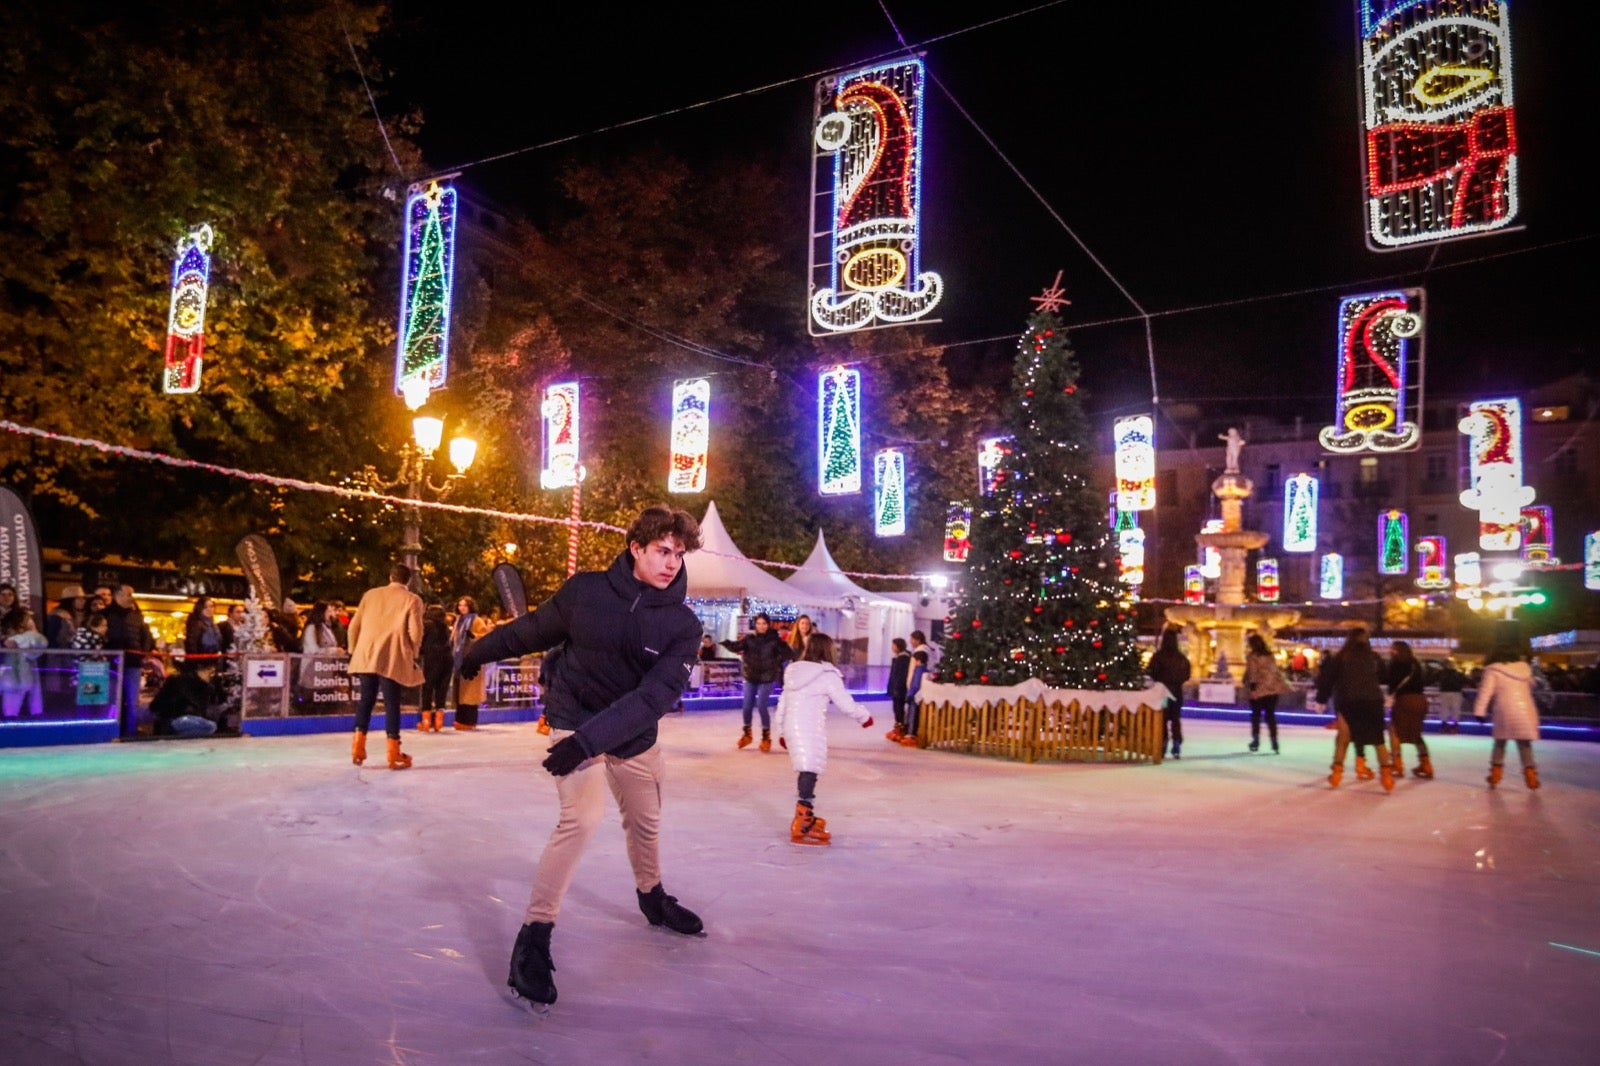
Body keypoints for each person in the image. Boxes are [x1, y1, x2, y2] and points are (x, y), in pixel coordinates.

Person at [457, 505, 707, 1009]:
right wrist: (474, 653)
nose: (671, 563)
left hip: (631, 736)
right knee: (582, 817)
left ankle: (652, 898)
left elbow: (653, 699)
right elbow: (529, 631)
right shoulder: (586, 592)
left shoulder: (683, 626)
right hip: (574, 717)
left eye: (678, 554)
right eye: (662, 551)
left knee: (646, 821)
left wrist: (588, 743)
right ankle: (535, 935)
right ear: (635, 548)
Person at [771, 632, 874, 845]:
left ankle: (805, 815)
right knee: (810, 769)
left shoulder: (793, 671)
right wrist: (864, 716)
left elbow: (783, 702)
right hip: (808, 726)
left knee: (806, 768)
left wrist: (781, 730)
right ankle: (802, 820)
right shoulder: (827, 674)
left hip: (792, 725)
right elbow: (845, 703)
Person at [346, 563, 424, 770]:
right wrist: (413, 653)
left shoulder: (370, 595)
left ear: (390, 577)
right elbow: (415, 632)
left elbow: (354, 626)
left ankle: (358, 746)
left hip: (366, 653)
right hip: (392, 655)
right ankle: (393, 751)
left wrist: (354, 650)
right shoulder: (412, 600)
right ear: (408, 580)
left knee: (366, 700)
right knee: (392, 703)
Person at [1314, 627, 1395, 790]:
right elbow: (1386, 676)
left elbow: (1327, 679)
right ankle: (1386, 776)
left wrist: (1321, 699)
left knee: (1343, 739)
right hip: (1372, 701)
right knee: (1378, 740)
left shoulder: (1341, 657)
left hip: (1347, 701)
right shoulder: (1374, 658)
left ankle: (1337, 773)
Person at [1473, 645, 1542, 790]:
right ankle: (1531, 777)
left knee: (1500, 743)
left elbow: (1486, 692)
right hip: (1526, 709)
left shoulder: (1492, 670)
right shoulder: (1524, 669)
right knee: (1524, 744)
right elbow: (1533, 685)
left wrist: (1479, 711)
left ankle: (1495, 775)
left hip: (1504, 710)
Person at [720, 612, 790, 751]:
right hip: (751, 676)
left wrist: (776, 663)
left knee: (761, 705)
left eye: (764, 623)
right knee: (746, 706)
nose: (761, 626)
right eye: (758, 623)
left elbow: (787, 653)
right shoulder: (749, 639)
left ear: (768, 625)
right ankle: (747, 734)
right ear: (755, 625)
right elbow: (737, 646)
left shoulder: (774, 640)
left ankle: (766, 737)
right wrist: (725, 643)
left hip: (767, 678)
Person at [102, 585, 153, 730]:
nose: (132, 597)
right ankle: (111, 730)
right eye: (129, 594)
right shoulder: (106, 614)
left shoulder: (137, 615)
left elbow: (147, 636)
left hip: (133, 661)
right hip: (112, 662)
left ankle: (130, 731)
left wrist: (143, 652)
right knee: (113, 698)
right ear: (118, 594)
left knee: (132, 701)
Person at [1386, 640, 1432, 779]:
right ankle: (1426, 764)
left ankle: (1397, 763)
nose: (1390, 651)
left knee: (1394, 730)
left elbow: (1392, 683)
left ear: (1398, 651)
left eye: (1393, 649)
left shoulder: (1396, 664)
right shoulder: (1416, 664)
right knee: (1416, 732)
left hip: (1404, 700)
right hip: (1420, 700)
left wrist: (1389, 696)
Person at [1145, 627, 1191, 759]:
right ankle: (1177, 743)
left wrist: (1160, 680)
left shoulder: (1158, 656)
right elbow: (1187, 674)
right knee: (1176, 719)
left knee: (1163, 719)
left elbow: (1152, 671)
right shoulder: (1181, 658)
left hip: (1162, 692)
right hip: (1177, 692)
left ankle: (1163, 743)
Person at [1243, 633, 1290, 754]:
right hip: (1272, 689)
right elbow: (1275, 671)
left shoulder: (1253, 656)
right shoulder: (1270, 656)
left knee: (1256, 716)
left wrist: (1253, 689)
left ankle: (1256, 740)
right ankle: (1274, 741)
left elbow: (1252, 673)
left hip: (1259, 689)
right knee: (1270, 716)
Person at [149, 659, 220, 737]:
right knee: (210, 726)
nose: (211, 676)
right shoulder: (179, 681)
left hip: (179, 718)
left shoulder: (206, 686)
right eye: (210, 672)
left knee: (210, 724)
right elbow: (157, 705)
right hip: (175, 718)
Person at [451, 596, 492, 730]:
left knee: (470, 693)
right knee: (460, 693)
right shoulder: (459, 621)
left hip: (472, 660)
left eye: (464, 605)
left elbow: (485, 637)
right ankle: (460, 719)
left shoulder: (476, 620)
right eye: (460, 605)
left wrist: (473, 636)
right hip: (460, 660)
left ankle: (469, 721)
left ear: (470, 607)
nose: (461, 608)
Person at [1, 607, 49, 718]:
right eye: (27, 620)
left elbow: (40, 642)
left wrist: (17, 640)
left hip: (18, 682)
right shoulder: (7, 637)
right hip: (12, 680)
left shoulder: (28, 637)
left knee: (11, 713)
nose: (30, 623)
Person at [418, 603, 453, 732]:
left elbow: (421, 642)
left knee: (427, 687)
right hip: (447, 658)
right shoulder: (445, 627)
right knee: (442, 689)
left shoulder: (426, 625)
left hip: (432, 658)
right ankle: (439, 721)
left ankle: (426, 720)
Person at [885, 636, 912, 742]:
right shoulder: (898, 658)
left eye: (893, 645)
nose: (892, 647)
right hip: (896, 688)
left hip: (899, 689)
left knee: (899, 709)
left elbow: (900, 675)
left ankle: (901, 729)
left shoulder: (903, 659)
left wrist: (896, 688)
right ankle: (898, 727)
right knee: (896, 708)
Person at [900, 649, 929, 746]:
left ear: (918, 661)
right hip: (919, 696)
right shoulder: (926, 671)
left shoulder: (918, 671)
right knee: (916, 714)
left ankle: (911, 733)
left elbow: (915, 685)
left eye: (915, 660)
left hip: (914, 697)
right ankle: (913, 732)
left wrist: (909, 695)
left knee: (912, 715)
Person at [1435, 660, 1468, 734]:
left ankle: (1444, 725)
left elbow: (1432, 679)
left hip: (1444, 692)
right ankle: (1454, 726)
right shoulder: (1459, 674)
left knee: (1444, 709)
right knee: (1455, 709)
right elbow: (1467, 681)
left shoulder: (1441, 673)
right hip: (1456, 692)